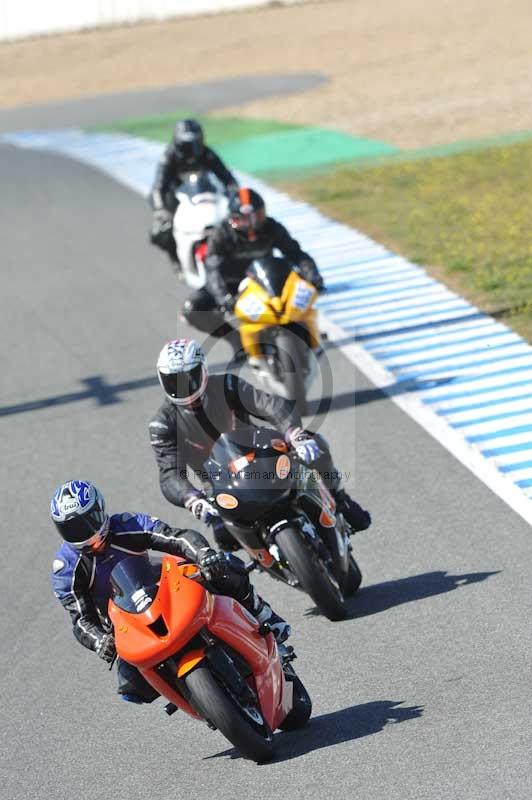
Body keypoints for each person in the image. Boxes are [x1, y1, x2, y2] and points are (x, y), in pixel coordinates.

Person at [50, 479, 290, 704]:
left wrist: (203, 554)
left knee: (224, 568)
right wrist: (99, 641)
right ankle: (196, 698)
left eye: (86, 522)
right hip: (126, 625)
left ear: (99, 510)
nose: (82, 532)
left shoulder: (126, 525)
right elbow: (80, 619)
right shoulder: (66, 569)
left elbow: (176, 538)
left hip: (163, 589)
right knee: (131, 687)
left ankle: (263, 615)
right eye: (71, 528)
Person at [149, 338, 371, 552]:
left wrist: (293, 432)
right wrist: (191, 498)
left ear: (203, 371)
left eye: (189, 378)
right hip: (218, 483)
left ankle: (340, 500)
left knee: (316, 446)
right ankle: (265, 561)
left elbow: (268, 404)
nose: (184, 389)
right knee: (224, 539)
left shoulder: (227, 384)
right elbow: (169, 474)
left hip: (261, 455)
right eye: (173, 382)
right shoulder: (162, 424)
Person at [181, 188, 325, 356]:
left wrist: (312, 275)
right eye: (246, 219)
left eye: (258, 216)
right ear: (234, 218)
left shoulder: (271, 227)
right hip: (232, 287)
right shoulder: (221, 235)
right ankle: (237, 341)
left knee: (300, 291)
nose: (253, 223)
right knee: (192, 309)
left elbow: (296, 253)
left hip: (266, 281)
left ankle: (305, 333)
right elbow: (212, 270)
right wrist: (223, 297)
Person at [149, 119, 237, 265]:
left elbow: (228, 179)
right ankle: (177, 260)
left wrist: (233, 195)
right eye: (186, 145)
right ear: (178, 143)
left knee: (231, 222)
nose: (191, 150)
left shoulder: (207, 154)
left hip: (203, 195)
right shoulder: (169, 157)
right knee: (161, 232)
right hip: (177, 200)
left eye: (195, 144)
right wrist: (161, 210)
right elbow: (158, 187)